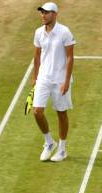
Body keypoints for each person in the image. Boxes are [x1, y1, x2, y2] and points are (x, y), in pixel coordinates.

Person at [32, 2, 76, 162]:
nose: (43, 15)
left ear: (55, 14)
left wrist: (66, 81)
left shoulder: (64, 32)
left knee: (61, 113)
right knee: (37, 111)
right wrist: (35, 77)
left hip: (60, 80)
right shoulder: (38, 32)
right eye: (42, 12)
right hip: (44, 78)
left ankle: (62, 149)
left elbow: (70, 57)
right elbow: (36, 56)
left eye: (47, 13)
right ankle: (49, 142)